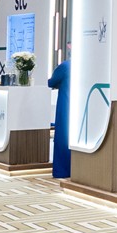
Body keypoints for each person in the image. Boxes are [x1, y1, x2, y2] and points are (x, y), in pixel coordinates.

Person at [47, 49, 71, 178]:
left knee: (63, 137)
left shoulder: (65, 66)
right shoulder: (85, 67)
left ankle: (62, 171)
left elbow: (51, 82)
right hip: (81, 108)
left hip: (65, 105)